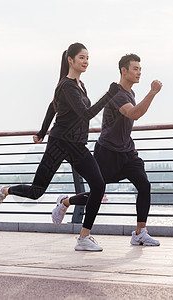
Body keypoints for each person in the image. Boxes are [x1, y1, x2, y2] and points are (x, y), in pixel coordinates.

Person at [0, 42, 119, 251]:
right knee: (37, 191)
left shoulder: (79, 86)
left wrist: (41, 131)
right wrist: (109, 94)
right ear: (70, 60)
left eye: (87, 58)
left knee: (98, 185)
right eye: (82, 57)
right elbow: (86, 114)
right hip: (59, 143)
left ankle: (84, 236)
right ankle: (5, 191)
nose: (86, 61)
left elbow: (52, 106)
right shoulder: (67, 85)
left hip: (77, 145)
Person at [52, 53, 163, 246]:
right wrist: (152, 92)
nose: (139, 73)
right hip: (108, 152)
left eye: (140, 69)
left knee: (144, 186)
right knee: (98, 192)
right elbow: (134, 114)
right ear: (124, 70)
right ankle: (65, 203)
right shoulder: (117, 94)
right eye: (135, 69)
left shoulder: (130, 93)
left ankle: (139, 233)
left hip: (127, 151)